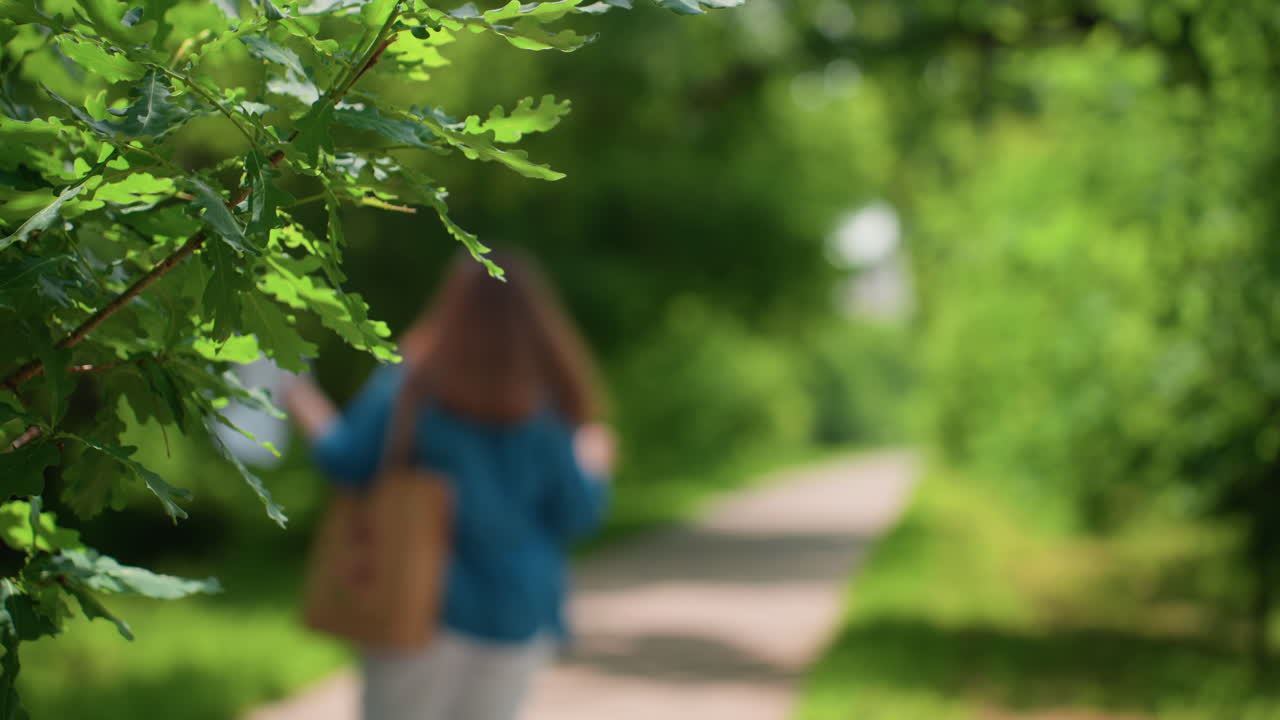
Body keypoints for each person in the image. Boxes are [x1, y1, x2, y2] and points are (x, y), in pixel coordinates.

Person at [284, 249, 615, 720]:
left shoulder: (413, 387)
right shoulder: (551, 405)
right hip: (516, 611)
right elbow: (578, 515)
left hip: (415, 602)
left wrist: (301, 398)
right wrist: (595, 463)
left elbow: (347, 462)